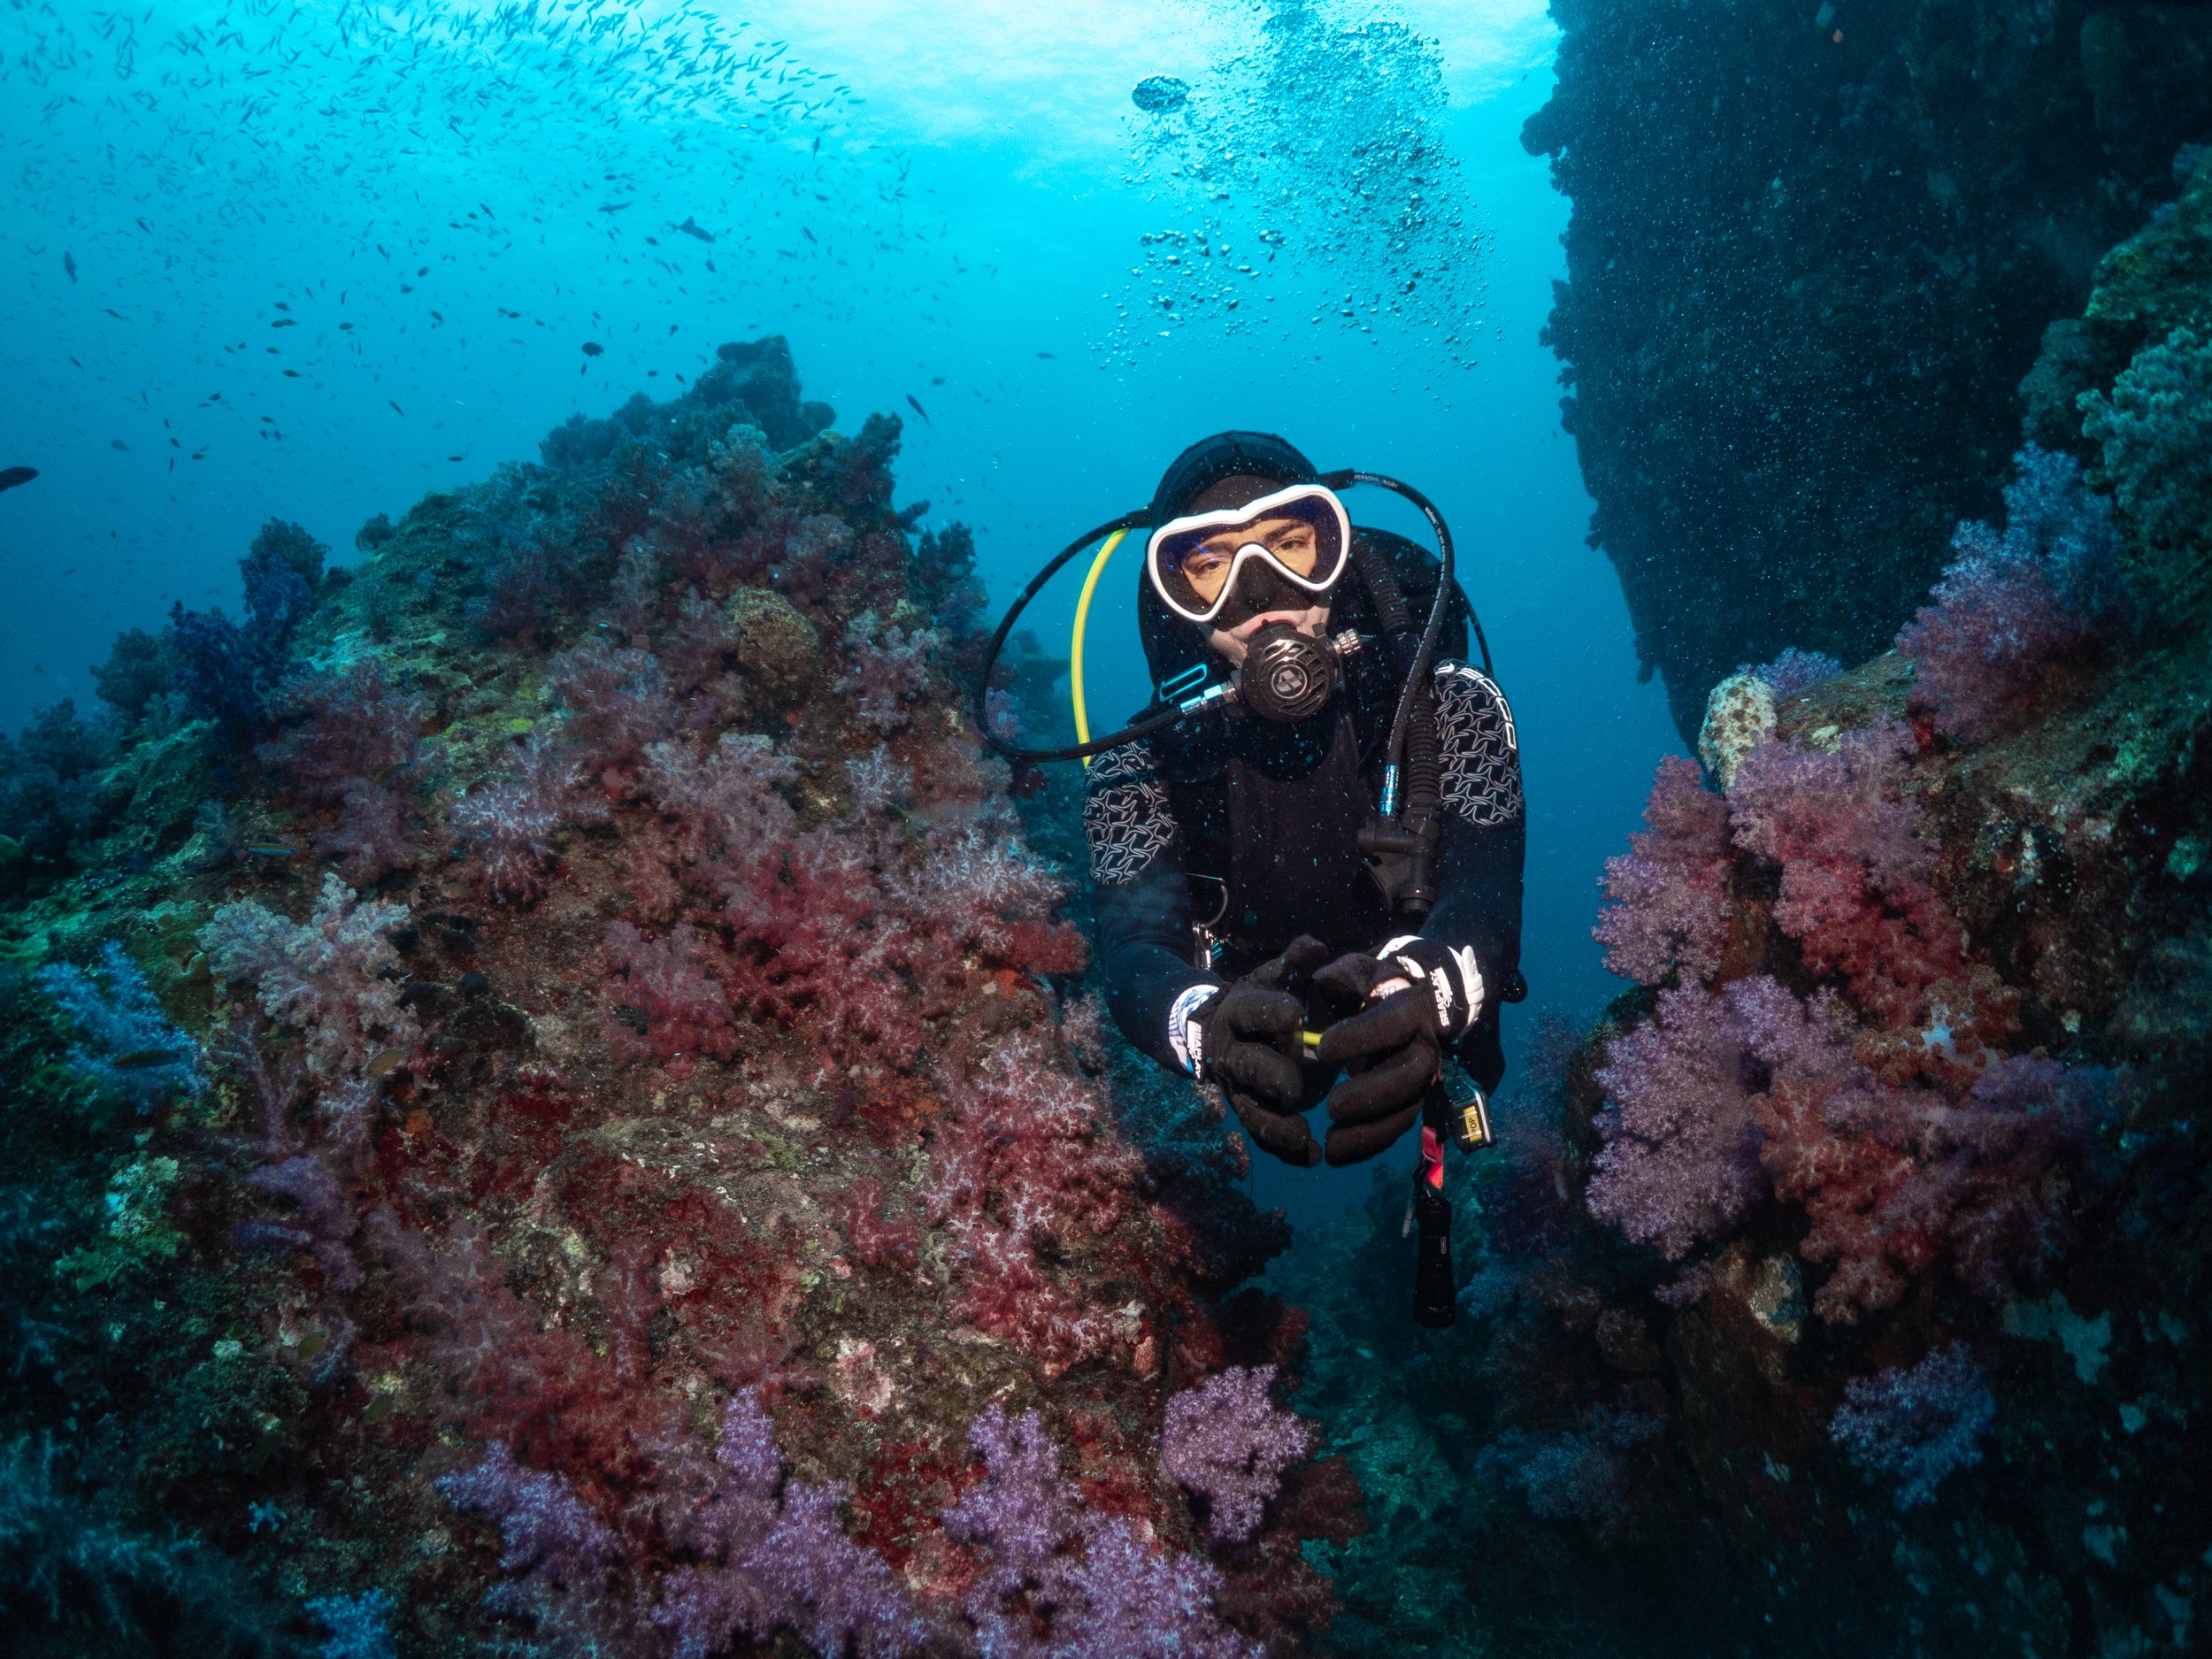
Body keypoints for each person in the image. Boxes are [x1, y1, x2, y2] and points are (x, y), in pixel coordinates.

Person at [1082, 432, 1525, 1288]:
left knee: (1455, 1080)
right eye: (1210, 564)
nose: (1264, 598)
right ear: (1175, 597)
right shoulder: (1137, 766)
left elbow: (1485, 887)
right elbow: (1135, 953)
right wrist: (1203, 1026)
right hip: (1255, 1015)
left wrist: (1435, 986)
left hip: (1413, 987)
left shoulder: (1450, 705)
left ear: (1338, 552)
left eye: (1290, 546)